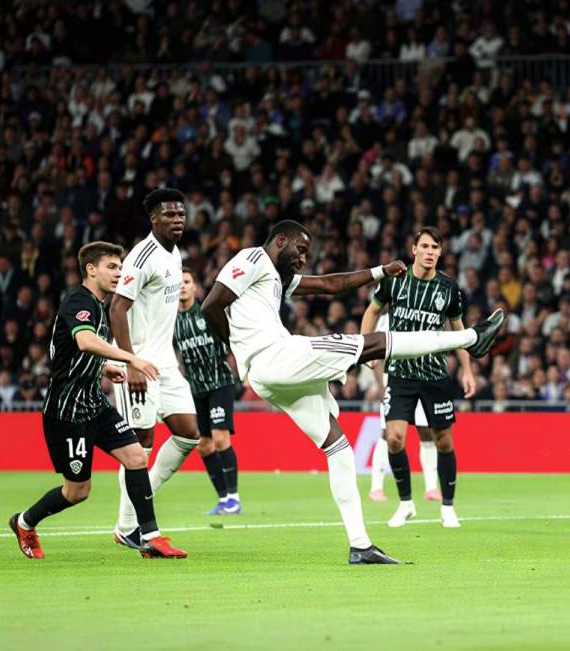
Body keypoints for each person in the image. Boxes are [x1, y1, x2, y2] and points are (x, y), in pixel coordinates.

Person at [201, 221, 504, 564]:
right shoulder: (253, 257)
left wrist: (380, 271)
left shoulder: (276, 278)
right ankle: (471, 339)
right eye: (300, 250)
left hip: (272, 371)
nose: (303, 258)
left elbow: (332, 284)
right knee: (372, 343)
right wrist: (239, 351)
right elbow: (211, 304)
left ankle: (360, 545)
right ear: (280, 240)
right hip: (275, 357)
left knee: (339, 448)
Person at [9, 242, 187, 559]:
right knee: (77, 491)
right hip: (67, 411)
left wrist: (105, 367)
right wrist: (131, 359)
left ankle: (150, 536)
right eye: (111, 267)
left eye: (120, 267)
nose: (119, 272)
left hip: (94, 403)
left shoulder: (98, 305)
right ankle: (24, 522)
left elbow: (68, 352)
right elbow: (84, 340)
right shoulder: (78, 300)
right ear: (91, 270)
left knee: (136, 457)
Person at [361, 228, 474, 529]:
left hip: (435, 375)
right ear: (413, 249)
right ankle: (406, 504)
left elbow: (459, 331)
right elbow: (372, 312)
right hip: (399, 374)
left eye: (435, 247)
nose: (429, 251)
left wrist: (467, 369)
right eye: (424, 246)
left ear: (440, 252)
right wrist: (365, 348)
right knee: (395, 439)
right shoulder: (395, 280)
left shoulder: (448, 288)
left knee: (443, 441)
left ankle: (448, 507)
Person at [109, 188, 201, 549]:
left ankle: (135, 506)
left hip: (165, 362)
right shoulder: (141, 256)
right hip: (138, 362)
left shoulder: (175, 254)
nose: (178, 219)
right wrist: (130, 362)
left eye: (181, 213)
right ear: (153, 219)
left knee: (189, 433)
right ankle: (129, 525)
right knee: (140, 446)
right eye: (170, 215)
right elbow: (117, 308)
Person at [174, 267, 242, 515]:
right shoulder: (172, 321)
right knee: (204, 445)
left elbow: (230, 339)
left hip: (220, 383)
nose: (182, 286)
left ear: (194, 287)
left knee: (220, 437)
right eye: (178, 282)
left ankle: (234, 497)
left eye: (186, 281)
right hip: (196, 389)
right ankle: (224, 499)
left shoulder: (207, 312)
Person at [366, 307, 438, 503]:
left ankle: (431, 487)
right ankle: (376, 487)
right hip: (394, 379)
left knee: (426, 429)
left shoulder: (421, 315)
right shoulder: (385, 320)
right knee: (387, 432)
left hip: (421, 377)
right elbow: (377, 355)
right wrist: (381, 385)